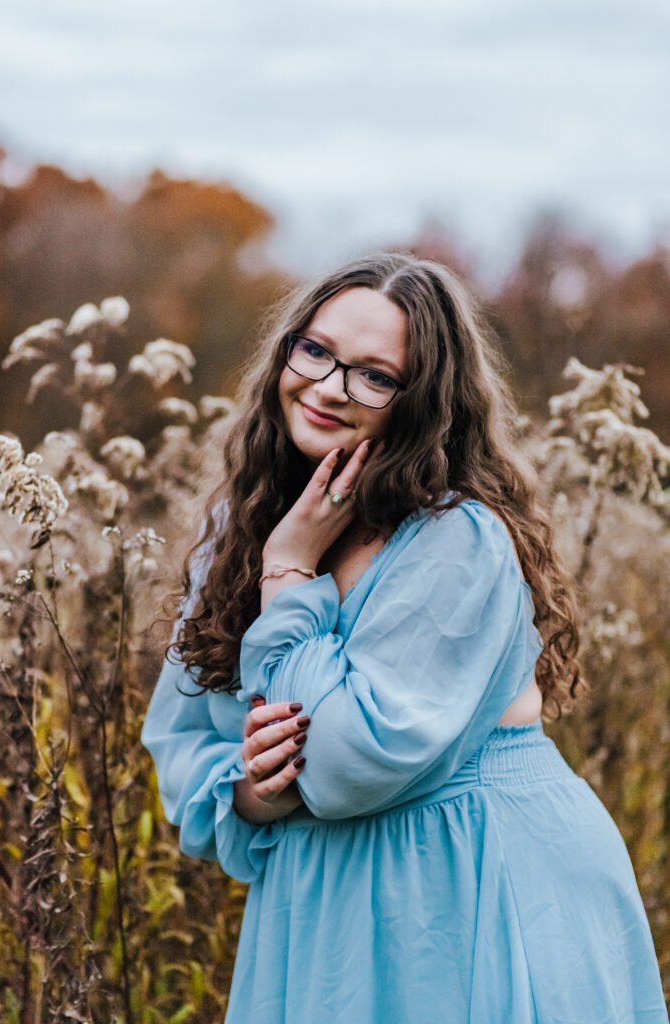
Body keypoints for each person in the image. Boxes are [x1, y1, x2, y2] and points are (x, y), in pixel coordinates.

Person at [141, 252, 667, 1023]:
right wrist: (253, 793)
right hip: (322, 904)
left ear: (421, 403)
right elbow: (185, 740)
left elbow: (349, 764)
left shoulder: (457, 539)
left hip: (465, 888)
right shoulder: (241, 530)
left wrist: (290, 575)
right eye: (314, 351)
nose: (326, 387)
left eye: (373, 375)